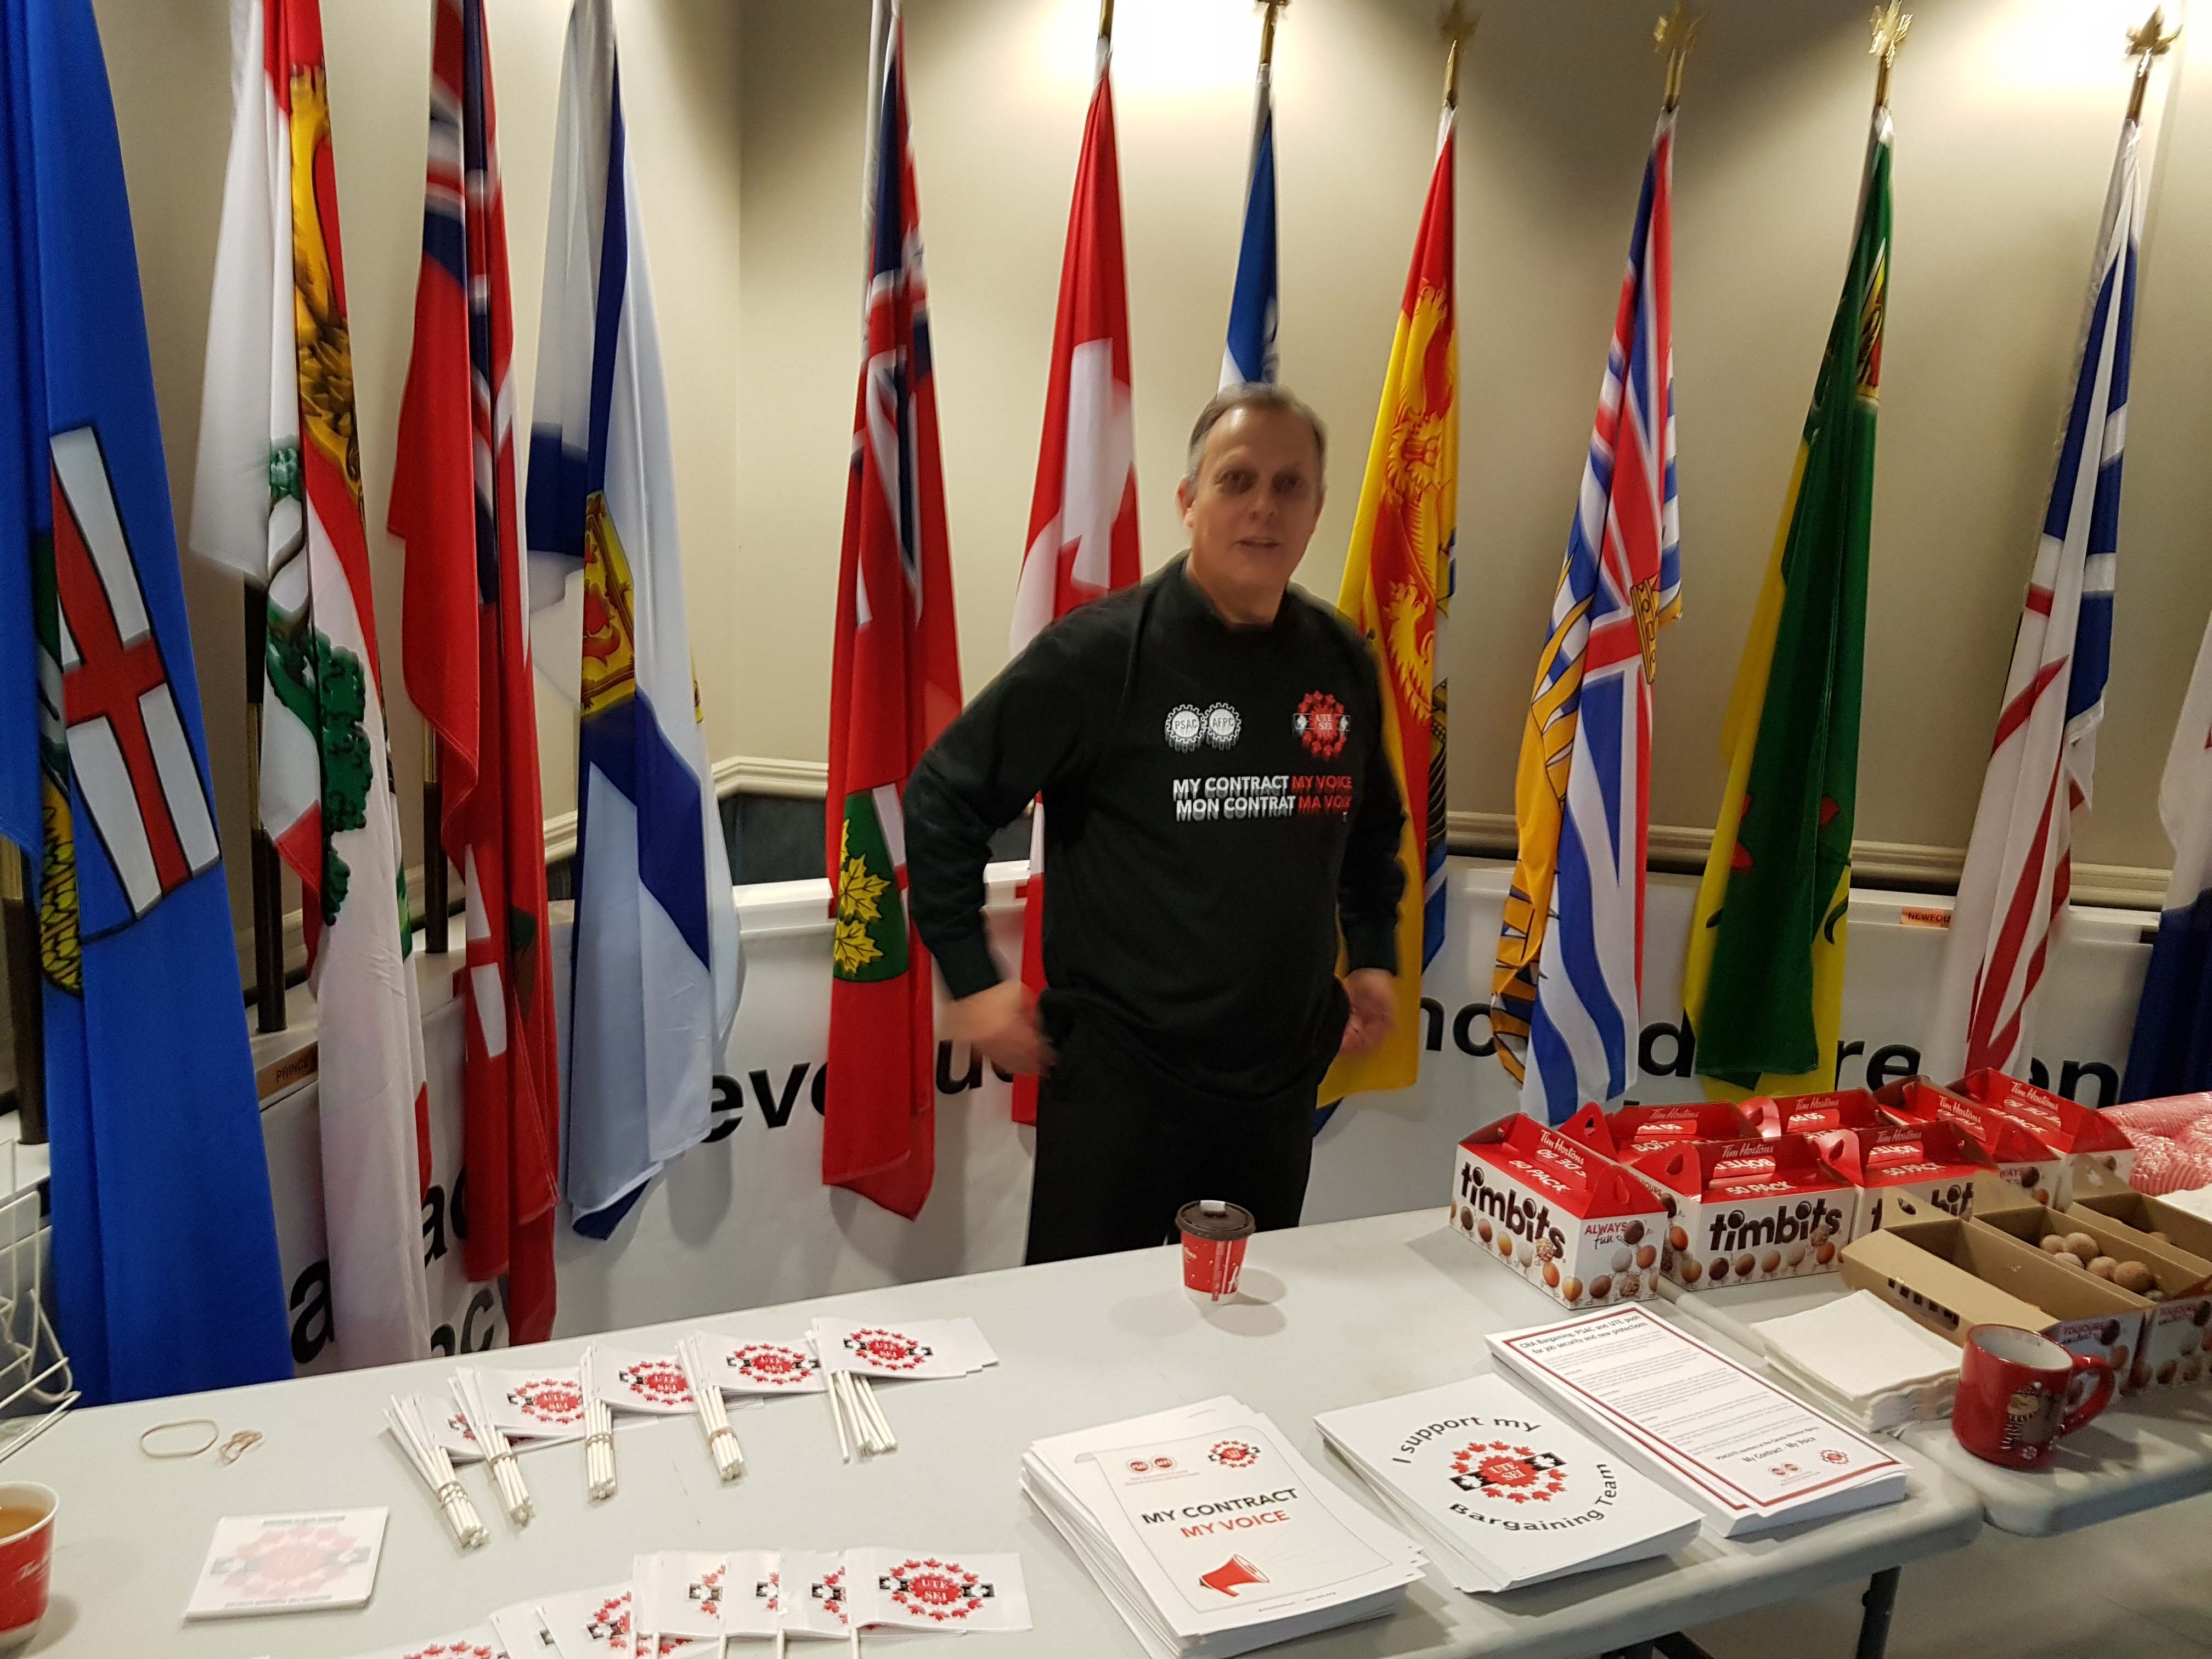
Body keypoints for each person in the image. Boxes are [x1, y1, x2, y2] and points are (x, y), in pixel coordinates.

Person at [902, 382, 1407, 1265]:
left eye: (1289, 485)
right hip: (1121, 1089)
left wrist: (1370, 952)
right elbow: (943, 796)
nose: (1263, 506)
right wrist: (971, 977)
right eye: (1236, 480)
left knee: (1248, 1320)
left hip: (1276, 1084)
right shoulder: (1099, 655)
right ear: (1188, 501)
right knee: (1088, 1331)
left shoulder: (1342, 660)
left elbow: (1371, 828)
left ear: (1318, 510)